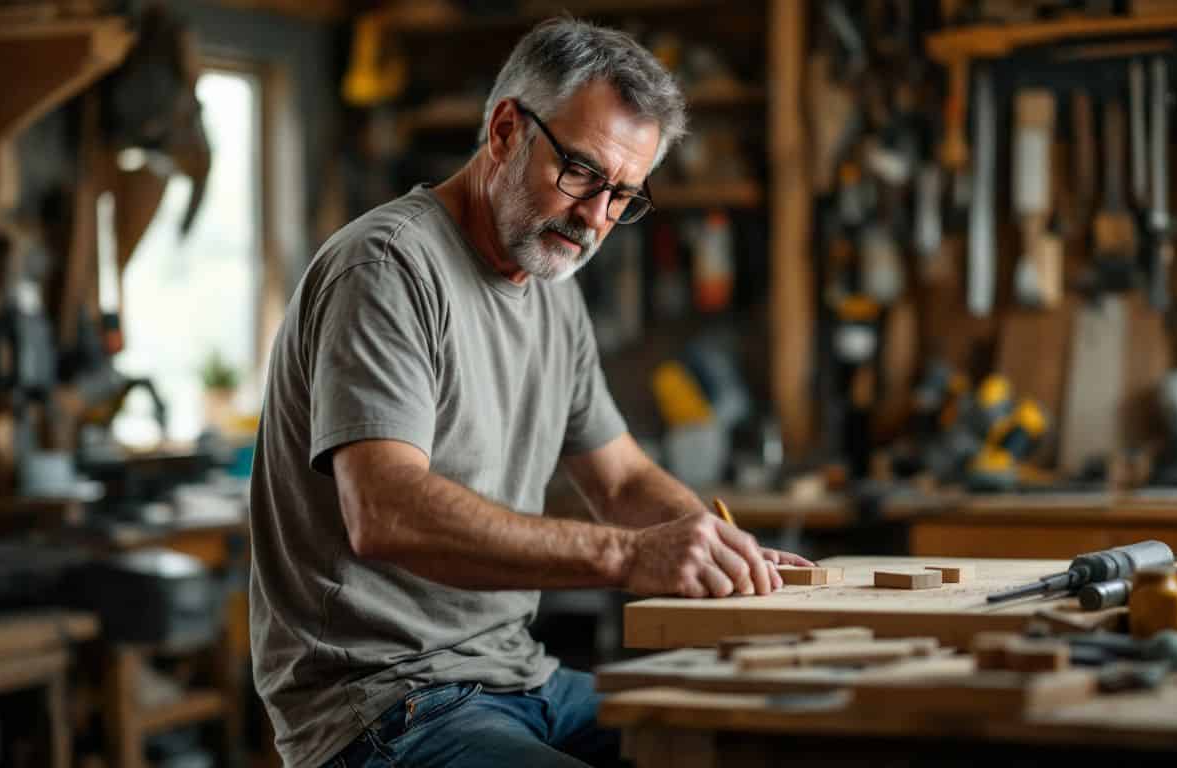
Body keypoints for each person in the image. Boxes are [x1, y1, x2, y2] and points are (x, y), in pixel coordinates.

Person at [249, 18, 813, 768]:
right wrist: (626, 557)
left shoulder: (552, 287)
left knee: (757, 745)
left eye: (623, 196)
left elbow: (621, 479)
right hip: (385, 702)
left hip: (521, 677)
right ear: (507, 129)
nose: (595, 219)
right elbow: (383, 510)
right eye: (581, 173)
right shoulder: (387, 268)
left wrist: (713, 545)